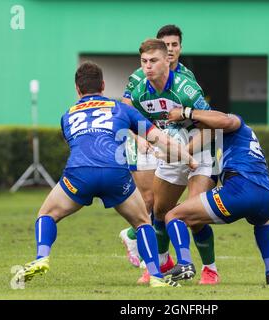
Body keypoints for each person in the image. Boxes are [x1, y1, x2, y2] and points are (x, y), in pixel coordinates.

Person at [12, 62, 196, 288]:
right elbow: (161, 139)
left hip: (80, 174)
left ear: (77, 89)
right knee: (142, 222)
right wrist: (189, 159)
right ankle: (156, 276)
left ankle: (42, 257)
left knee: (46, 214)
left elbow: (78, 143)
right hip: (115, 173)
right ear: (103, 85)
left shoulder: (67, 115)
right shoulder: (121, 108)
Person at [127, 38, 220, 285]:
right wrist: (141, 138)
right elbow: (136, 123)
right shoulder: (140, 93)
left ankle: (209, 269)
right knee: (159, 210)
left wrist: (185, 151)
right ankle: (160, 264)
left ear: (167, 60)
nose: (147, 67)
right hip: (171, 153)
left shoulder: (185, 89)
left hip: (199, 151)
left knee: (193, 214)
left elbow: (212, 126)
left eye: (153, 61)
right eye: (144, 61)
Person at [162, 107, 269, 285]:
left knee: (173, 215)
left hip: (241, 189)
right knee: (262, 221)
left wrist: (186, 112)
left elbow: (226, 121)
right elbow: (190, 149)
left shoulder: (234, 123)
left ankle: (184, 263)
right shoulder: (237, 137)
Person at [119, 25, 199, 269]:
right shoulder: (141, 75)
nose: (171, 49)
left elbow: (198, 114)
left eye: (175, 45)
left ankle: (142, 243)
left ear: (179, 48)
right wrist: (139, 136)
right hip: (144, 137)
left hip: (171, 141)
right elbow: (126, 105)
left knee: (163, 202)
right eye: (167, 45)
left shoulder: (186, 77)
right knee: (150, 199)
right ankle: (146, 248)